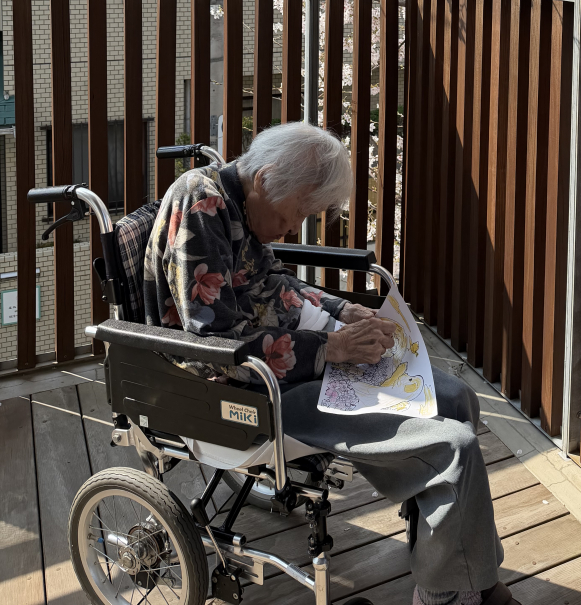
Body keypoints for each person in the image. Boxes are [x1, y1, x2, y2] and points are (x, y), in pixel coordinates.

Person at [145, 121, 512, 605]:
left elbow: (273, 283)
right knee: (453, 446)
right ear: (265, 179)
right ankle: (450, 592)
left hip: (291, 365)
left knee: (457, 398)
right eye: (298, 212)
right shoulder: (202, 204)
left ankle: (448, 556)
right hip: (245, 390)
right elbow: (217, 341)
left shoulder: (242, 201)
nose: (295, 227)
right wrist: (332, 348)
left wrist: (343, 311)